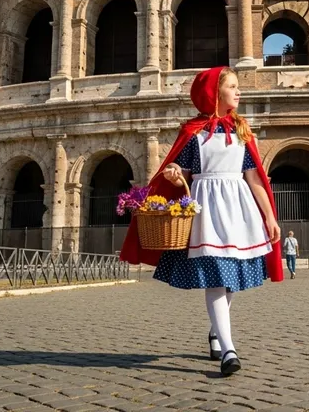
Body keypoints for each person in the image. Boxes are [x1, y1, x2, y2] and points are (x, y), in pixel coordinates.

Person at [120, 66, 283, 377]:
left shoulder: (242, 130)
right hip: (206, 209)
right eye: (233, 86)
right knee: (216, 278)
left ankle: (215, 333)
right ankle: (229, 350)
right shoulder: (193, 133)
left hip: (239, 208)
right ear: (215, 92)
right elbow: (182, 171)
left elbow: (255, 179)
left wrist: (270, 217)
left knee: (232, 280)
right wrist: (173, 173)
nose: (239, 92)